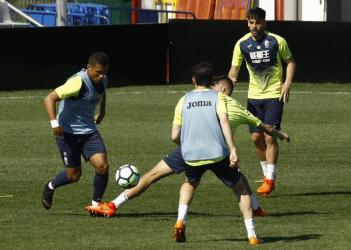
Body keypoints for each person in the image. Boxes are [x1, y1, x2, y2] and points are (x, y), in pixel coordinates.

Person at [88, 76, 290, 220]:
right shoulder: (237, 107)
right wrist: (281, 135)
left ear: (221, 89)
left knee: (152, 176)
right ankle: (254, 209)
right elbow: (266, 127)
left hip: (191, 151)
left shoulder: (200, 99)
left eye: (213, 85)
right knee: (238, 179)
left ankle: (113, 205)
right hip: (219, 154)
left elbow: (176, 134)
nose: (209, 87)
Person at [171, 61, 264, 245]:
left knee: (190, 183)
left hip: (192, 155)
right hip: (217, 153)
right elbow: (224, 122)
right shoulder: (218, 97)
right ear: (211, 80)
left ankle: (181, 220)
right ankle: (252, 235)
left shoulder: (184, 99)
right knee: (241, 189)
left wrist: (188, 145)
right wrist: (233, 150)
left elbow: (174, 135)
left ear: (193, 80)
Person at [228, 7, 296, 196]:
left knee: (269, 136)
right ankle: (266, 175)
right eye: (251, 22)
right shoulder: (241, 44)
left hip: (274, 95)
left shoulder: (277, 41)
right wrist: (231, 80)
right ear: (247, 22)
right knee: (256, 138)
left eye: (258, 22)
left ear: (264, 23)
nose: (254, 26)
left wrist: (287, 83)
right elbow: (233, 71)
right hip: (254, 97)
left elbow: (290, 62)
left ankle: (270, 180)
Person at [42, 52, 111, 212]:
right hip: (66, 133)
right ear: (89, 67)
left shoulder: (103, 80)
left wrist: (102, 111)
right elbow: (49, 98)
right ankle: (50, 185)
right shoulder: (77, 83)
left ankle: (96, 206)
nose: (101, 76)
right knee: (74, 175)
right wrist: (55, 125)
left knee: (103, 166)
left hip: (89, 132)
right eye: (98, 72)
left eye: (104, 72)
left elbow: (102, 91)